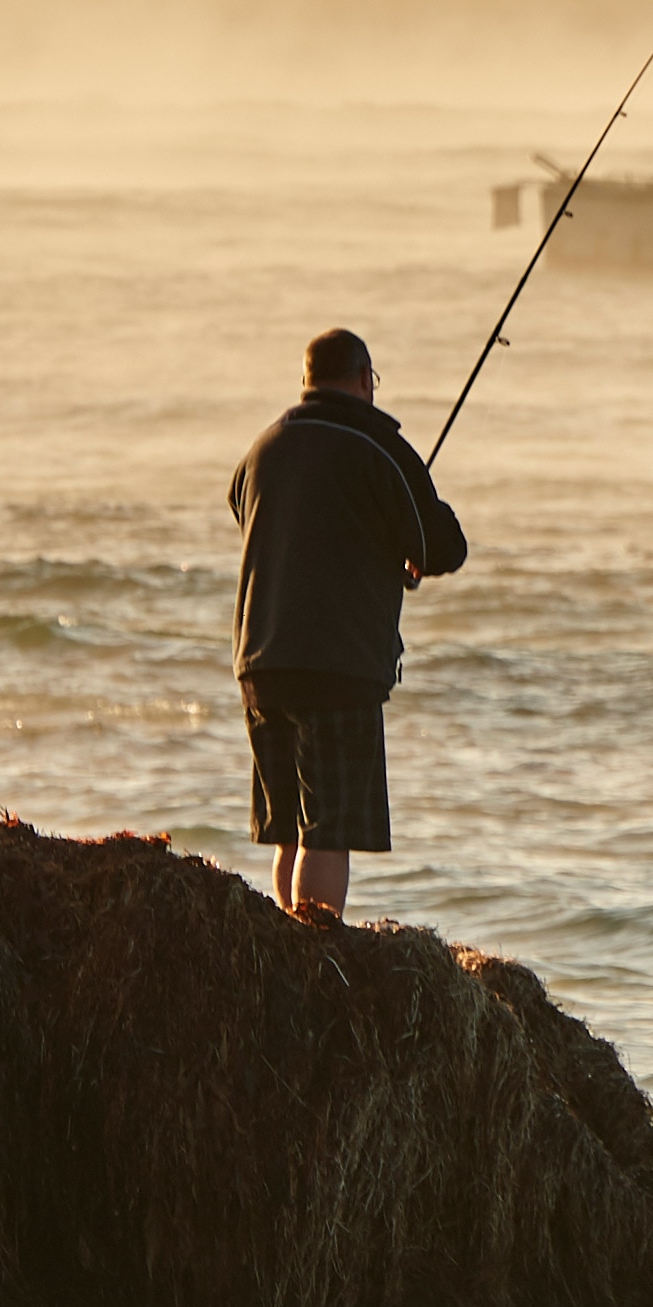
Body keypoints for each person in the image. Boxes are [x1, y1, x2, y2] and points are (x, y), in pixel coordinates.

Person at [227, 326, 466, 925]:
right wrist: (404, 550)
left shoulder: (263, 448)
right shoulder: (377, 447)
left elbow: (245, 510)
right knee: (328, 827)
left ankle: (286, 941)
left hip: (261, 661)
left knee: (288, 826)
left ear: (307, 380)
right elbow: (443, 546)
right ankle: (316, 955)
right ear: (364, 380)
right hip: (335, 665)